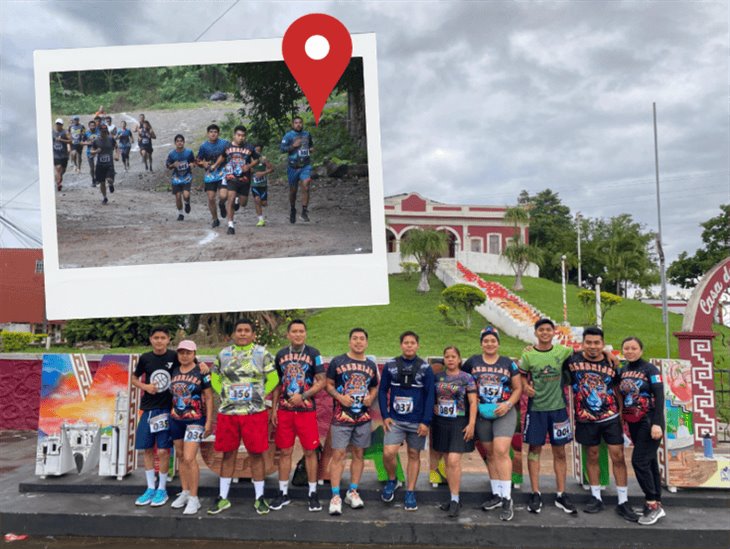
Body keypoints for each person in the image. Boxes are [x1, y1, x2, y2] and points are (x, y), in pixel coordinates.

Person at [563, 326, 639, 522]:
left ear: (603, 344)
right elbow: (553, 354)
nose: (593, 346)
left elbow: (616, 387)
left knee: (618, 456)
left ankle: (623, 500)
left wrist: (621, 413)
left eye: (597, 343)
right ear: (582, 344)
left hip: (610, 417)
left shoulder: (611, 363)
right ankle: (595, 497)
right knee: (593, 455)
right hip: (585, 417)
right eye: (588, 342)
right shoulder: (573, 360)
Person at [208, 319, 276, 516]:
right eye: (239, 330)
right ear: (233, 334)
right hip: (229, 412)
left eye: (247, 331)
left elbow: (273, 378)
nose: (243, 334)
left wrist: (260, 395)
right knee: (228, 454)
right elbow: (215, 376)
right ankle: (223, 497)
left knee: (256, 453)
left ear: (253, 335)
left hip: (254, 413)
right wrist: (223, 393)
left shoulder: (262, 353)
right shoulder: (224, 354)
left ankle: (259, 498)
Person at [463, 326, 522, 521]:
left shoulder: (508, 363)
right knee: (489, 454)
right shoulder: (472, 361)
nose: (489, 344)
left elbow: (517, 388)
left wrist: (507, 404)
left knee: (501, 451)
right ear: (481, 343)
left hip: (503, 411)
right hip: (482, 413)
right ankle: (497, 493)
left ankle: (507, 497)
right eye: (486, 340)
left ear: (498, 343)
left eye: (493, 340)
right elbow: (462, 381)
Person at [519, 318, 577, 514]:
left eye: (548, 330)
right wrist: (525, 386)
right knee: (534, 450)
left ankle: (561, 493)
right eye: (541, 330)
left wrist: (606, 353)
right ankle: (536, 492)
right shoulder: (528, 355)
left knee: (559, 452)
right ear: (535, 333)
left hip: (559, 410)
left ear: (554, 332)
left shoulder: (563, 351)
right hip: (536, 411)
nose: (544, 333)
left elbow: (587, 353)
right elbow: (520, 374)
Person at [270, 319, 326, 512]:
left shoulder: (313, 354)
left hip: (306, 411)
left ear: (305, 334)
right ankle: (283, 492)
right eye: (294, 331)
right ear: (288, 334)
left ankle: (313, 493)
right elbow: (278, 383)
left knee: (310, 452)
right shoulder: (281, 355)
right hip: (285, 411)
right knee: (284, 452)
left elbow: (321, 381)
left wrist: (303, 395)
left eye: (301, 331)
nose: (298, 334)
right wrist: (274, 408)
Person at [378, 330, 434, 511]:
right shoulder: (391, 365)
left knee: (414, 455)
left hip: (417, 422)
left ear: (417, 345)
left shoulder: (425, 368)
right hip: (395, 420)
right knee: (388, 452)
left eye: (412, 343)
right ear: (401, 345)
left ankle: (410, 491)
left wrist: (426, 421)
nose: (409, 345)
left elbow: (430, 395)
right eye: (406, 343)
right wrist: (385, 415)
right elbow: (381, 390)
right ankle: (392, 480)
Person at [325, 328, 379, 515]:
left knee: (358, 454)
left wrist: (371, 398)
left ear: (366, 342)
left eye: (362, 339)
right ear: (349, 342)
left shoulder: (371, 365)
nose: (358, 342)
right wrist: (340, 397)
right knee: (338, 455)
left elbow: (374, 387)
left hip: (362, 418)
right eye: (355, 338)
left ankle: (352, 491)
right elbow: (328, 385)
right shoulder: (338, 361)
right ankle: (335, 495)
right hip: (341, 417)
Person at [619, 337, 666, 526]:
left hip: (649, 419)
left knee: (638, 461)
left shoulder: (650, 370)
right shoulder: (623, 370)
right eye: (626, 348)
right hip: (633, 421)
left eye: (634, 348)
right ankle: (655, 501)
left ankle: (652, 504)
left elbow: (660, 396)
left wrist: (657, 423)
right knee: (650, 461)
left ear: (641, 349)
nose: (630, 351)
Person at [130, 326, 177, 508]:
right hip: (148, 409)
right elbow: (134, 379)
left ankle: (162, 489)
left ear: (168, 339)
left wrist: (204, 366)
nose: (159, 341)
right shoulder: (145, 358)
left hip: (166, 409)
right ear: (151, 339)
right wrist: (145, 387)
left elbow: (192, 365)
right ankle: (150, 487)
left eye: (162, 337)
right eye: (156, 337)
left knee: (164, 450)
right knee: (147, 449)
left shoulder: (174, 356)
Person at [168, 340, 213, 515]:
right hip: (176, 418)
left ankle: (194, 498)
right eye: (181, 352)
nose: (184, 355)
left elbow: (209, 397)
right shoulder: (174, 369)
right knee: (180, 455)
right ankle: (185, 492)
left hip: (195, 419)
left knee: (189, 457)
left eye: (188, 352)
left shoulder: (202, 371)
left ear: (194, 353)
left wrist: (209, 422)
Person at [431, 346, 477, 518]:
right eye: (447, 356)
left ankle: (456, 500)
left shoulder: (467, 378)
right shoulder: (437, 377)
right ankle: (453, 498)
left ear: (459, 359)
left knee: (453, 460)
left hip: (459, 422)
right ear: (444, 359)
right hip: (441, 422)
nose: (450, 359)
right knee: (446, 460)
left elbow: (473, 402)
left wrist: (471, 423)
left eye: (453, 356)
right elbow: (432, 397)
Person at [216, 125, 259, 235]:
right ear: (234, 135)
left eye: (243, 136)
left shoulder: (249, 147)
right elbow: (222, 156)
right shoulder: (227, 146)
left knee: (243, 203)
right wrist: (216, 165)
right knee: (230, 198)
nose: (241, 138)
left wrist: (249, 166)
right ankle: (230, 225)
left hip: (245, 178)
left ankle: (237, 201)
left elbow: (257, 159)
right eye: (239, 135)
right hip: (231, 177)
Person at [280, 116, 314, 224]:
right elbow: (282, 149)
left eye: (300, 122)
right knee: (293, 191)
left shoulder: (307, 134)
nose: (298, 124)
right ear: (292, 124)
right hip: (293, 167)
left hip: (305, 165)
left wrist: (311, 149)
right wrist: (293, 146)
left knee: (306, 184)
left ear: (302, 123)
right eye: (296, 123)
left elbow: (311, 146)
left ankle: (304, 211)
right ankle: (293, 209)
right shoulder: (288, 135)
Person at [196, 124, 229, 228]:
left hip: (223, 172)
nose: (213, 134)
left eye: (215, 132)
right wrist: (203, 164)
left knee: (223, 196)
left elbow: (229, 155)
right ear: (207, 134)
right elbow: (198, 160)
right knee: (211, 198)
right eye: (211, 132)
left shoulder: (225, 143)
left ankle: (222, 204)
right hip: (210, 175)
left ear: (218, 133)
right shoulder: (203, 146)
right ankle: (215, 219)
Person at [165, 134, 195, 221]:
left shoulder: (189, 152)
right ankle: (181, 213)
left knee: (186, 195)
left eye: (181, 141)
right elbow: (168, 165)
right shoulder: (172, 154)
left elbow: (194, 161)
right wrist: (173, 165)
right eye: (178, 141)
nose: (179, 143)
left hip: (187, 177)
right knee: (178, 196)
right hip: (176, 178)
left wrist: (193, 164)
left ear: (184, 142)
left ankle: (187, 203)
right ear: (175, 143)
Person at [90, 124, 119, 205]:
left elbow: (117, 147)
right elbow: (91, 151)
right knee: (102, 183)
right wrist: (96, 151)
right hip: (100, 165)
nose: (104, 133)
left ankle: (111, 184)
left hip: (109, 164)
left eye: (105, 131)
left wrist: (117, 155)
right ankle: (105, 197)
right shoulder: (96, 141)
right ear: (99, 131)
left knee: (109, 179)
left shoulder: (111, 139)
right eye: (102, 131)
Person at [250, 144, 274, 227]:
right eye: (255, 151)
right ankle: (260, 220)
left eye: (259, 151)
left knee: (264, 203)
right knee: (257, 200)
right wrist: (251, 170)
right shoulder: (249, 160)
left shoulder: (263, 159)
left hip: (263, 185)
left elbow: (271, 169)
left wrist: (263, 173)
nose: (257, 152)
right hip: (254, 185)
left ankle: (261, 206)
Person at [52, 118, 71, 191]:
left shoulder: (65, 132)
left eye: (60, 124)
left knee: (62, 171)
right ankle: (58, 184)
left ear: (62, 125)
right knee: (58, 168)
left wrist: (62, 140)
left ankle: (58, 181)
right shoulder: (52, 132)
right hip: (55, 154)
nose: (58, 125)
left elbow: (71, 141)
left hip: (64, 155)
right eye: (57, 124)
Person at [82, 120, 100, 187]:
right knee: (92, 168)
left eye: (94, 125)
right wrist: (88, 143)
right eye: (91, 125)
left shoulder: (99, 132)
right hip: (89, 152)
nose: (92, 127)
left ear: (95, 126)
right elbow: (81, 142)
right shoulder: (86, 133)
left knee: (97, 166)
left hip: (98, 152)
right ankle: (93, 179)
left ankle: (98, 178)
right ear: (89, 126)